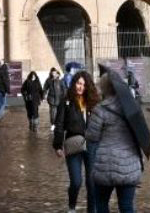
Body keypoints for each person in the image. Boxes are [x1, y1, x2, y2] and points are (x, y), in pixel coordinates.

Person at [87, 72, 145, 213]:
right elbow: (141, 133)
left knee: (101, 204)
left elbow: (91, 137)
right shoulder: (133, 109)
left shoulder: (100, 110)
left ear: (104, 88)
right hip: (129, 165)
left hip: (105, 165)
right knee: (126, 206)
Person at [53, 70, 100, 213]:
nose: (81, 87)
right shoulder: (66, 101)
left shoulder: (93, 102)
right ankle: (72, 206)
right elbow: (59, 124)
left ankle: (91, 210)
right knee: (76, 182)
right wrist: (57, 145)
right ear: (74, 83)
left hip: (91, 145)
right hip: (74, 143)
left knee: (92, 183)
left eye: (84, 85)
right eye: (79, 84)